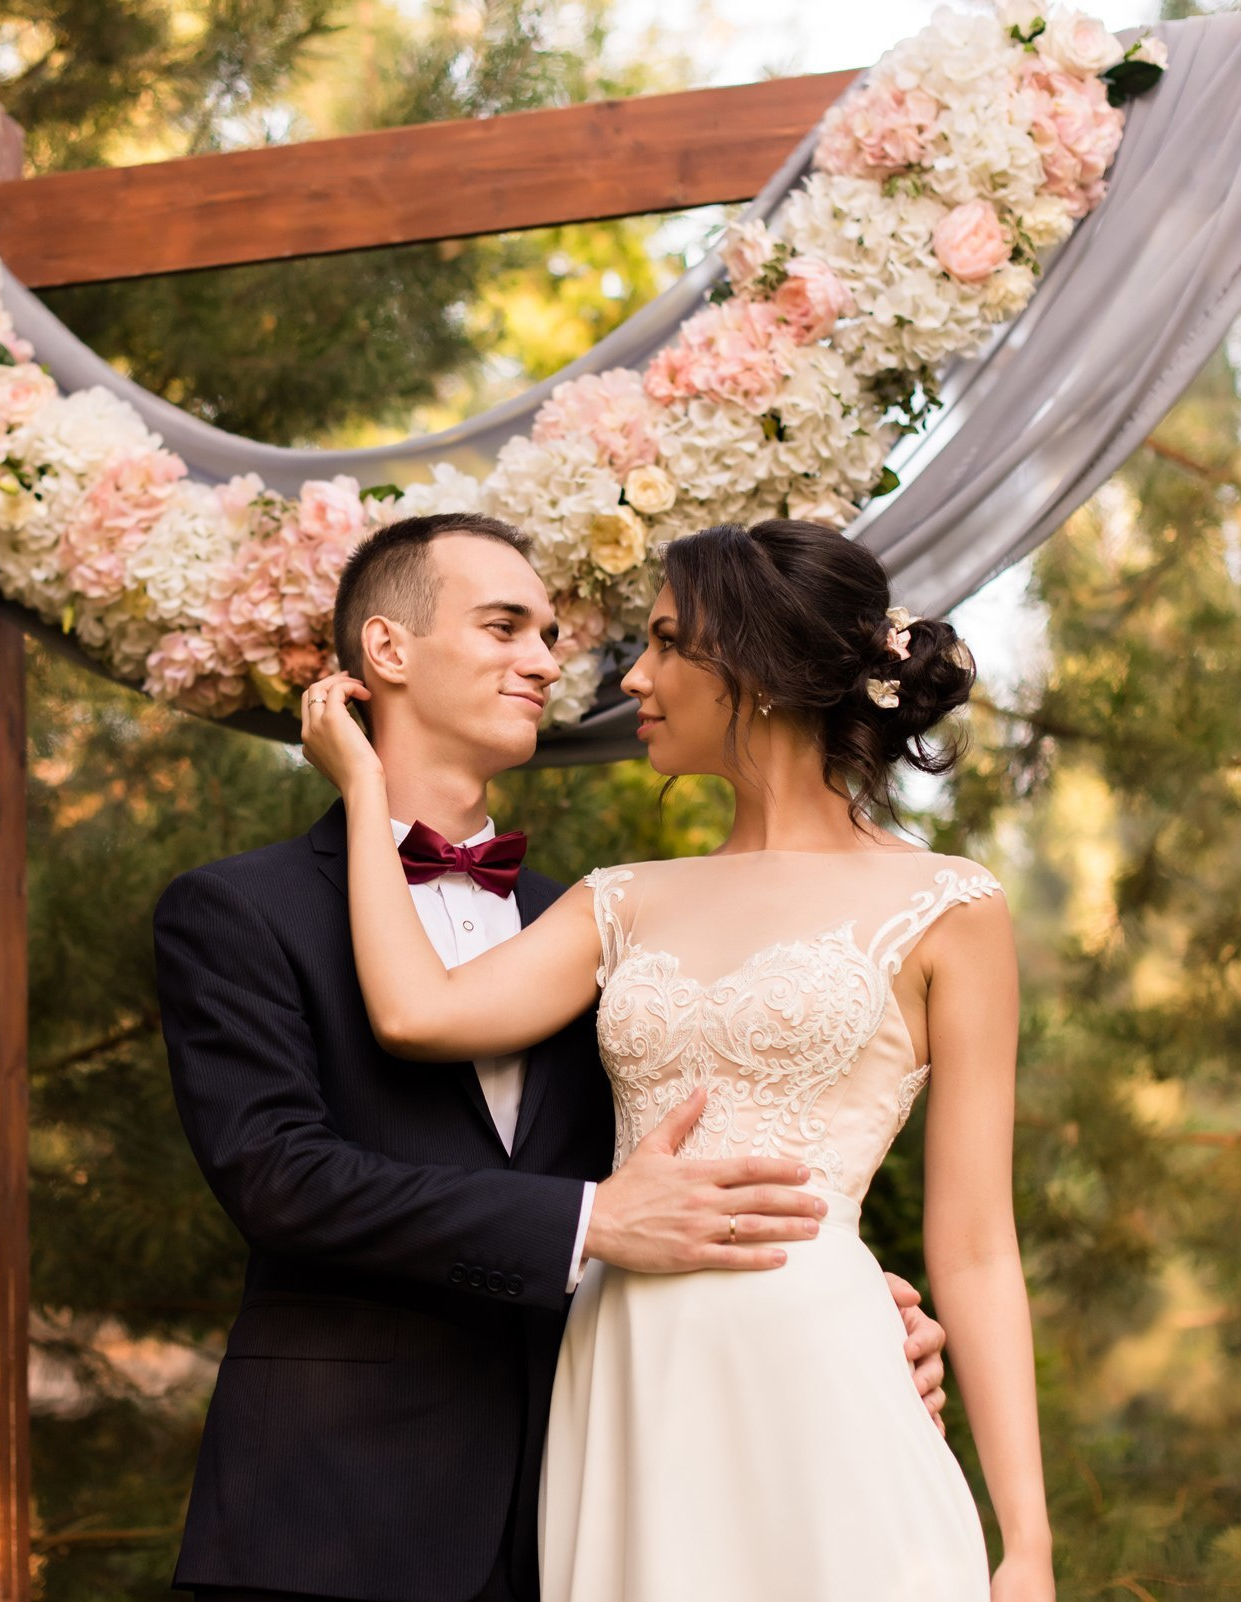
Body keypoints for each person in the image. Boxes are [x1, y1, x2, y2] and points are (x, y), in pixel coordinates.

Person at [154, 513, 950, 1602]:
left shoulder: (606, 919)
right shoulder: (238, 910)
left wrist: (841, 1293)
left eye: (549, 635)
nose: (547, 662)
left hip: (591, 1498)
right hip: (332, 1521)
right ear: (387, 650)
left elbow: (705, 1142)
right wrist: (587, 1223)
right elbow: (280, 1181)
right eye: (505, 627)